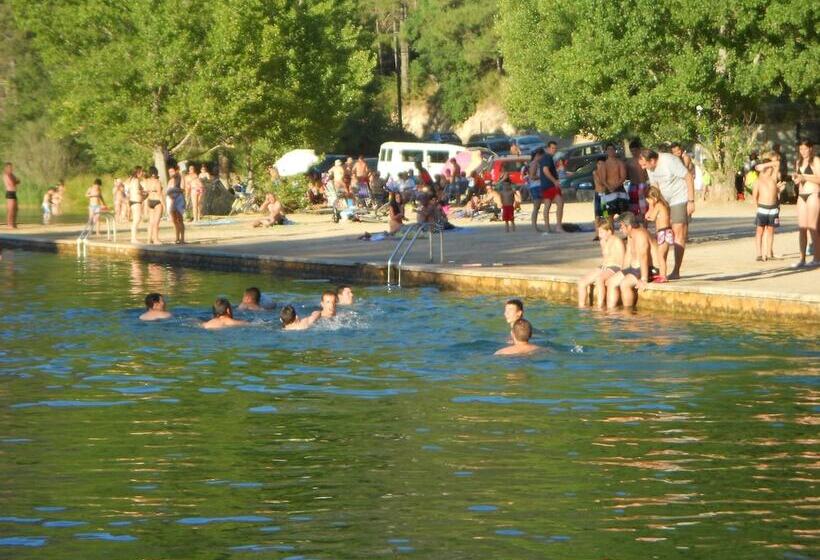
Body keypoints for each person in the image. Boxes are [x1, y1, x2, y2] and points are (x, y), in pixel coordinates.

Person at [638, 148, 695, 279]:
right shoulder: (650, 168)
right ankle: (662, 270)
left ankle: (676, 270)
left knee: (678, 233)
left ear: (652, 160)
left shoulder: (669, 161)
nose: (643, 168)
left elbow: (688, 177)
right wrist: (652, 207)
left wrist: (691, 201)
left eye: (644, 164)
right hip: (664, 200)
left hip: (679, 197)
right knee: (664, 233)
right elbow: (654, 187)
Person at [577, 217, 625, 308]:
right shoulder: (602, 241)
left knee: (599, 279)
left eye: (602, 232)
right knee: (581, 282)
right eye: (599, 232)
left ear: (609, 232)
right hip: (605, 266)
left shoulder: (617, 241)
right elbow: (605, 258)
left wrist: (621, 274)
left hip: (616, 267)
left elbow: (623, 259)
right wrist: (604, 266)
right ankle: (581, 308)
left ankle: (600, 306)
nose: (599, 235)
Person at [611, 212, 654, 309]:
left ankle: (628, 313)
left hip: (649, 269)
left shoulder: (641, 235)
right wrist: (623, 271)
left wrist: (644, 279)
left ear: (629, 226)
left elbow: (644, 257)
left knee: (624, 284)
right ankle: (611, 313)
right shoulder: (630, 235)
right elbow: (628, 254)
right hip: (635, 268)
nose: (620, 229)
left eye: (622, 226)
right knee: (611, 282)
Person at [792, 140, 820, 267]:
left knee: (812, 227)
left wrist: (805, 177)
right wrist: (796, 178)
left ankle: (817, 258)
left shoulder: (816, 161)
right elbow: (799, 178)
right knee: (802, 228)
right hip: (801, 195)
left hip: (813, 194)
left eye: (805, 149)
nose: (802, 151)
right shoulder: (798, 162)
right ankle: (802, 259)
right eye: (800, 149)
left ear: (810, 148)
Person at [752, 153, 783, 262]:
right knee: (759, 231)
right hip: (762, 208)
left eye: (771, 168)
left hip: (773, 208)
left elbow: (777, 163)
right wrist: (757, 208)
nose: (771, 169)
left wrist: (766, 165)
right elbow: (754, 197)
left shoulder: (773, 178)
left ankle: (769, 253)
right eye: (769, 168)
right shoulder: (758, 181)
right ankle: (759, 254)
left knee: (770, 231)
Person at [644, 185, 672, 281]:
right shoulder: (661, 204)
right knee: (662, 255)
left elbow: (652, 217)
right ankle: (662, 274)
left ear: (654, 198)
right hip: (663, 232)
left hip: (664, 232)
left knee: (660, 255)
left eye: (649, 199)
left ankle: (663, 276)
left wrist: (650, 209)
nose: (648, 201)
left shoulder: (659, 205)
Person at [541, 141, 565, 233]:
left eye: (555, 148)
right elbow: (545, 170)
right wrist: (554, 181)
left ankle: (547, 228)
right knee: (560, 203)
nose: (554, 150)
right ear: (548, 148)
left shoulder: (547, 158)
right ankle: (558, 227)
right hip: (550, 185)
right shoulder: (547, 157)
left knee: (548, 205)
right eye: (552, 148)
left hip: (546, 185)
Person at [600, 143, 629, 218]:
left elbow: (623, 177)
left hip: (619, 189)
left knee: (624, 214)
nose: (610, 151)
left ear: (615, 150)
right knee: (608, 215)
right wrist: (609, 187)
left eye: (612, 149)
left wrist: (615, 187)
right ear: (606, 151)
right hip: (608, 190)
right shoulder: (604, 164)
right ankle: (609, 225)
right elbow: (603, 179)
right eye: (608, 149)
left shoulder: (620, 163)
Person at [625, 139, 649, 216]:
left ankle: (644, 219)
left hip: (643, 185)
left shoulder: (644, 160)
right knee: (633, 206)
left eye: (635, 150)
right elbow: (626, 176)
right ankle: (636, 220)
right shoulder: (628, 162)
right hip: (633, 185)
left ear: (639, 150)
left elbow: (648, 173)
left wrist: (647, 184)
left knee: (644, 205)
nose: (634, 152)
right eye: (632, 151)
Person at [166, 163, 186, 244]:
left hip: (178, 199)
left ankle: (182, 238)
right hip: (171, 200)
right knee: (174, 220)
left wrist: (175, 194)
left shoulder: (180, 178)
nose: (171, 173)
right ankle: (177, 237)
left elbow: (183, 189)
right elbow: (167, 191)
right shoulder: (170, 181)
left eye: (172, 171)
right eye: (169, 172)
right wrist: (170, 196)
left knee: (180, 218)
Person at [143, 167, 164, 244]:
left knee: (151, 222)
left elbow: (146, 192)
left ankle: (149, 239)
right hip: (157, 201)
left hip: (150, 201)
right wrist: (164, 205)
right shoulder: (157, 182)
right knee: (156, 222)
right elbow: (160, 194)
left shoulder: (147, 181)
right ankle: (156, 239)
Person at [128, 166, 146, 244]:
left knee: (136, 220)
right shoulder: (136, 180)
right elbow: (137, 191)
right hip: (136, 201)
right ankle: (133, 238)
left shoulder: (132, 179)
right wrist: (144, 193)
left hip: (133, 201)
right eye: (142, 171)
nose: (143, 173)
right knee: (136, 220)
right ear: (138, 172)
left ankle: (133, 238)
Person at [3, 162, 20, 229]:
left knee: (16, 209)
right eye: (9, 167)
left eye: (11, 167)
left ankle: (13, 223)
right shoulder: (6, 175)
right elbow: (13, 182)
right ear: (6, 168)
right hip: (9, 193)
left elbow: (16, 181)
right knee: (10, 210)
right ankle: (9, 224)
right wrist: (16, 181)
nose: (11, 168)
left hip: (14, 193)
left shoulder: (12, 174)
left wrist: (16, 181)